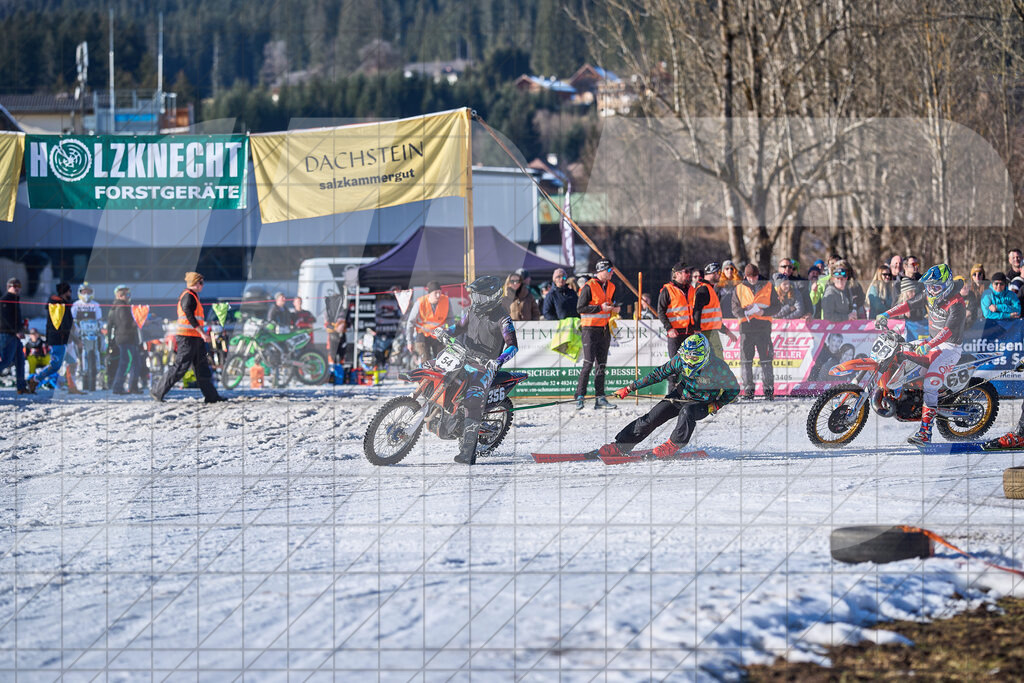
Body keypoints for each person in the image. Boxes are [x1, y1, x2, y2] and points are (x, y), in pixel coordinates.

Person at [588, 333, 740, 458]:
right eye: (686, 356)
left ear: (703, 355)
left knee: (687, 413)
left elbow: (733, 389)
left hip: (701, 404)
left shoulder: (718, 368)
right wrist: (629, 388)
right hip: (680, 396)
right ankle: (621, 446)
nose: (688, 361)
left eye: (693, 358)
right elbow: (658, 374)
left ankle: (673, 445)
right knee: (650, 418)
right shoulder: (680, 360)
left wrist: (717, 405)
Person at [875, 263, 966, 444]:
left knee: (930, 384)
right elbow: (907, 305)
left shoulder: (957, 304)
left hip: (949, 348)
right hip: (932, 344)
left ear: (947, 285)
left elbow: (947, 331)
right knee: (900, 351)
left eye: (936, 287)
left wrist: (929, 344)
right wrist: (886, 314)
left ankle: (926, 432)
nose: (932, 291)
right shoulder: (929, 295)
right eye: (929, 287)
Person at [445, 275, 519, 464]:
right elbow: (459, 327)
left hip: (486, 366)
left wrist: (499, 360)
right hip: (464, 359)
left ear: (494, 296)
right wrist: (445, 332)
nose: (477, 301)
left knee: (472, 401)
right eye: (476, 296)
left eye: (482, 297)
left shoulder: (503, 319)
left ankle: (468, 453)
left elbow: (513, 345)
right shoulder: (471, 311)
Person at [151, 272, 226, 403]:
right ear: (195, 283)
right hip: (187, 338)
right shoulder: (188, 296)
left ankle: (211, 396)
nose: (202, 285)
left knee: (202, 367)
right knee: (180, 367)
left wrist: (201, 333)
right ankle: (157, 391)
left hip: (194, 337)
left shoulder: (193, 296)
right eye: (201, 283)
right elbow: (189, 316)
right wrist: (202, 333)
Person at [575, 258, 621, 409]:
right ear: (601, 271)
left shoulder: (612, 286)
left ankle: (600, 398)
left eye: (612, 270)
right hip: (589, 330)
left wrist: (614, 309)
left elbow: (611, 303)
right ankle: (580, 396)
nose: (612, 273)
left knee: (601, 365)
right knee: (588, 364)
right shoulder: (589, 286)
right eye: (609, 271)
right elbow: (580, 308)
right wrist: (600, 308)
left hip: (604, 329)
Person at [732, 263, 779, 400]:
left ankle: (769, 391)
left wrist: (764, 311)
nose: (752, 279)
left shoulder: (768, 286)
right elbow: (734, 308)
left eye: (755, 276)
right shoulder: (739, 288)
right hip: (746, 329)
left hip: (764, 328)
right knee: (746, 361)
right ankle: (748, 391)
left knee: (766, 360)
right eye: (750, 277)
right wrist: (745, 312)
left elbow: (777, 306)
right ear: (745, 276)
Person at [26, 282, 74, 393]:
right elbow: (60, 324)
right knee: (55, 365)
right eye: (69, 291)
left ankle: (71, 386)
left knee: (71, 362)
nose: (71, 293)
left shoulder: (64, 304)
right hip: (58, 339)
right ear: (64, 292)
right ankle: (35, 379)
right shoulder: (57, 306)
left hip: (64, 339)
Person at [657, 263, 693, 391]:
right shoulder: (668, 290)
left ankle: (687, 393)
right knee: (675, 364)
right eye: (686, 271)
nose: (688, 274)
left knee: (689, 364)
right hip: (675, 333)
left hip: (689, 333)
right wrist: (669, 328)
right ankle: (671, 392)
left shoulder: (691, 289)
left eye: (689, 272)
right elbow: (660, 311)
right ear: (677, 274)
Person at [406, 281, 453, 365]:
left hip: (439, 334)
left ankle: (439, 377)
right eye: (435, 293)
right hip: (423, 335)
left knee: (441, 361)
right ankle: (425, 377)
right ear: (429, 294)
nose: (438, 295)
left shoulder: (446, 300)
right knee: (425, 362)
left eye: (439, 292)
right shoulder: (420, 303)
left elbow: (450, 320)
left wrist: (451, 336)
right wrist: (409, 341)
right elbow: (410, 322)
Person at [107, 284, 142, 394]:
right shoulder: (122, 307)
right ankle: (118, 387)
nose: (128, 296)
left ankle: (133, 386)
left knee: (136, 363)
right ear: (121, 295)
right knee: (125, 363)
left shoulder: (117, 307)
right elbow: (126, 324)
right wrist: (137, 321)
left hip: (128, 339)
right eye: (126, 294)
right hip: (125, 339)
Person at [689, 264, 728, 359]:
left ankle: (716, 373)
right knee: (715, 357)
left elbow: (712, 315)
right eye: (718, 273)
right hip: (706, 331)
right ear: (713, 273)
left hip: (710, 330)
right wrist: (697, 330)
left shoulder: (708, 288)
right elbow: (697, 310)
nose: (720, 276)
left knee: (714, 356)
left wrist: (724, 329)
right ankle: (718, 374)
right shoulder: (704, 289)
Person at [0, 277, 30, 394]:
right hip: (6, 334)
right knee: (7, 361)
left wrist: (22, 326)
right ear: (8, 287)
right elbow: (6, 319)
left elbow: (14, 319)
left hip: (15, 335)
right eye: (14, 286)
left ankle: (21, 387)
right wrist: (17, 330)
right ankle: (21, 386)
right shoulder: (5, 300)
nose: (17, 288)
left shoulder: (15, 299)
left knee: (20, 361)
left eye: (19, 286)